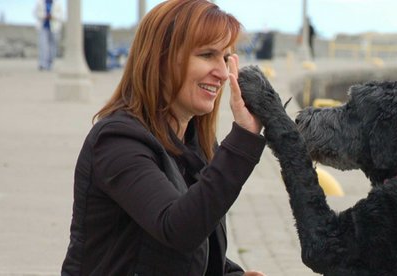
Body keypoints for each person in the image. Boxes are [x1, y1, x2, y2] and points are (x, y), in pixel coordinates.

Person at [60, 1, 266, 275]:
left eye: (226, 58)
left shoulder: (196, 144)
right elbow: (178, 230)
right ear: (160, 59)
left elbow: (190, 249)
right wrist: (242, 141)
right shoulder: (116, 141)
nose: (222, 73)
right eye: (207, 55)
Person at [33, 0, 63, 70]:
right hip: (43, 27)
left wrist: (52, 16)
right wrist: (44, 16)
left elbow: (61, 15)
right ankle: (43, 63)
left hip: (54, 27)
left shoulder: (57, 3)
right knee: (43, 46)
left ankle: (50, 63)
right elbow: (35, 13)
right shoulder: (39, 2)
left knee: (53, 46)